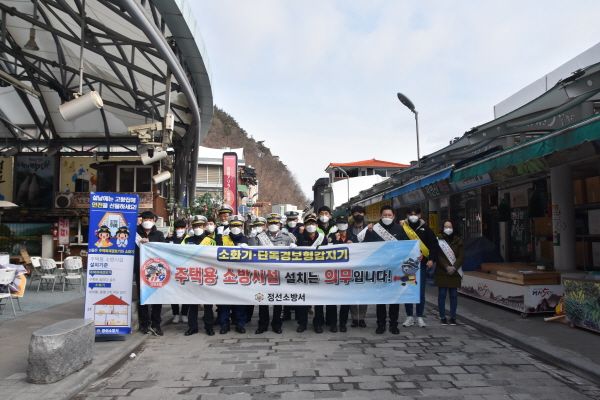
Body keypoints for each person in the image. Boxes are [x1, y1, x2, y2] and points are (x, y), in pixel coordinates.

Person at [363, 205, 409, 335]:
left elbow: (407, 246)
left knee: (394, 299)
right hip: (380, 269)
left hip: (395, 269)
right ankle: (380, 324)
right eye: (385, 215)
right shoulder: (374, 229)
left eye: (389, 215)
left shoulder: (399, 230)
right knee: (381, 299)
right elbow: (366, 247)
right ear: (380, 216)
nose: (387, 217)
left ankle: (394, 324)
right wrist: (369, 232)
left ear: (393, 216)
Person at [249, 213, 296, 334]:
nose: (273, 225)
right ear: (267, 225)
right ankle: (263, 324)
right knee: (262, 300)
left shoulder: (287, 238)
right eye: (271, 223)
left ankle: (277, 324)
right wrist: (252, 237)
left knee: (277, 300)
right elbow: (252, 251)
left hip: (279, 274)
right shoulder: (260, 237)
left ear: (280, 224)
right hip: (263, 274)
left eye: (275, 223)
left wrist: (294, 247)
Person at [401, 205, 439, 328]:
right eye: (411, 214)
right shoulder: (403, 228)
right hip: (406, 266)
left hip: (420, 266)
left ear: (420, 215)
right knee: (408, 291)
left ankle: (420, 316)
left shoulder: (426, 230)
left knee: (420, 292)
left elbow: (434, 246)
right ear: (407, 215)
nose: (413, 217)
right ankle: (409, 316)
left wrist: (430, 259)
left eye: (415, 214)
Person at [185, 217, 221, 336]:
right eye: (195, 226)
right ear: (192, 227)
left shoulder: (210, 240)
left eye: (200, 226)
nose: (198, 228)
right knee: (192, 303)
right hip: (192, 274)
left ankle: (208, 326)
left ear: (204, 227)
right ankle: (192, 327)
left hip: (207, 274)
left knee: (208, 303)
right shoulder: (187, 240)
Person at [135, 211, 166, 336]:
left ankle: (156, 324)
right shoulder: (135, 233)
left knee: (157, 296)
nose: (148, 221)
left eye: (150, 219)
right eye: (145, 219)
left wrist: (150, 244)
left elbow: (164, 249)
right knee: (142, 296)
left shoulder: (158, 234)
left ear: (154, 221)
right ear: (141, 220)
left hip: (156, 270)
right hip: (140, 269)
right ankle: (145, 323)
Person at [296, 213, 327, 333]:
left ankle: (318, 323)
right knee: (303, 299)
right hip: (304, 272)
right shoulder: (300, 237)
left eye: (313, 223)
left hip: (318, 273)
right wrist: (300, 235)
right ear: (305, 225)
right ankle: (302, 323)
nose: (311, 225)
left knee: (318, 301)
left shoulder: (322, 238)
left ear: (317, 225)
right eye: (308, 223)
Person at [218, 214, 249, 334]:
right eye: (233, 225)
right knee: (224, 303)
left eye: (238, 225)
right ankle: (224, 325)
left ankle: (240, 324)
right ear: (229, 226)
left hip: (241, 276)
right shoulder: (223, 239)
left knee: (240, 303)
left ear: (242, 227)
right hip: (225, 275)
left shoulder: (246, 240)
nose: (236, 227)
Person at [326, 215, 357, 332]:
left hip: (347, 273)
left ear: (347, 224)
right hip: (333, 272)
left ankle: (343, 323)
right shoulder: (331, 236)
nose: (342, 225)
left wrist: (353, 246)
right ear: (336, 225)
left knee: (345, 300)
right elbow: (327, 251)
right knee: (332, 300)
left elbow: (359, 252)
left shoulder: (353, 237)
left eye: (344, 223)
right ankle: (333, 323)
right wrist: (336, 241)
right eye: (340, 223)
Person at [435, 220, 464, 326]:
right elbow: (438, 255)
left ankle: (453, 317)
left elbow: (461, 256)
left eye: (450, 227)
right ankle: (442, 316)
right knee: (442, 294)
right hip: (442, 271)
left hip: (454, 272)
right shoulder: (438, 239)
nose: (448, 229)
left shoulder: (458, 240)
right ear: (442, 228)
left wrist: (454, 267)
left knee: (453, 295)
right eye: (446, 226)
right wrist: (446, 267)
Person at [166, 218, 190, 324]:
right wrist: (167, 239)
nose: (180, 230)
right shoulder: (170, 238)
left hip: (186, 269)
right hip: (172, 269)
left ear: (185, 228)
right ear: (174, 228)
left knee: (186, 292)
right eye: (178, 228)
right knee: (173, 293)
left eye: (182, 228)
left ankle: (184, 313)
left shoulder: (189, 239)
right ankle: (175, 314)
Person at [349, 205, 369, 327]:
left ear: (364, 215)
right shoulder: (348, 229)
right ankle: (354, 318)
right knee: (352, 292)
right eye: (356, 213)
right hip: (351, 265)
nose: (358, 215)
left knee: (363, 292)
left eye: (361, 213)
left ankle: (362, 318)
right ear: (352, 215)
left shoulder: (369, 229)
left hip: (365, 264)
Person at [281, 211, 302, 321]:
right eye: (289, 219)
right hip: (286, 262)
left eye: (294, 219)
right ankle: (286, 313)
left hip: (299, 262)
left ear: (297, 220)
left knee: (298, 288)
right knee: (286, 288)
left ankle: (299, 314)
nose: (292, 221)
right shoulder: (283, 231)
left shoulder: (302, 230)